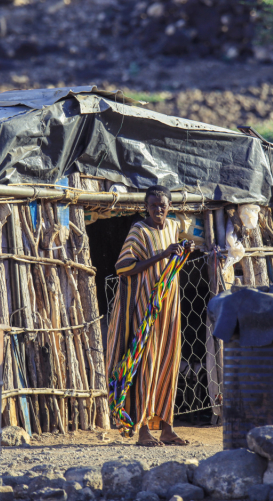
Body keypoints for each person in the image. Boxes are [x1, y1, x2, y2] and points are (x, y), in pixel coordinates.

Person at [106, 185, 195, 446]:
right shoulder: (139, 231)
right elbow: (123, 267)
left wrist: (181, 250)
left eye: (163, 205)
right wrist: (162, 255)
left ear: (170, 207)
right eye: (154, 205)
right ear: (146, 206)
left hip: (169, 309)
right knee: (145, 364)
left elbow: (172, 262)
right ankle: (143, 428)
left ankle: (167, 427)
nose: (159, 210)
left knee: (169, 360)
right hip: (145, 310)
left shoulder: (172, 228)